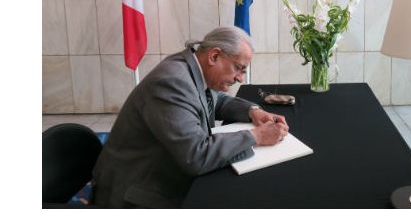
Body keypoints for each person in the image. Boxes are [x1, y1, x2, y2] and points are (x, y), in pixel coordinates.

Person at [92, 26, 289, 208]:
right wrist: (257, 136)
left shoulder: (193, 67)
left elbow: (216, 100)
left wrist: (253, 111)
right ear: (214, 56)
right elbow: (196, 155)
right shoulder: (172, 83)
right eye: (238, 68)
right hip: (136, 191)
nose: (240, 78)